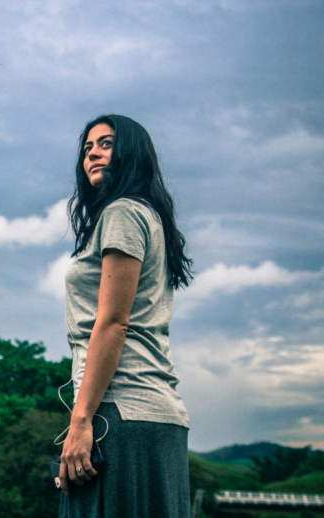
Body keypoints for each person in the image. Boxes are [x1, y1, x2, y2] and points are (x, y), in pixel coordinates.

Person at [57, 114, 194, 518]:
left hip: (120, 411)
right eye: (87, 148)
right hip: (155, 416)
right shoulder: (147, 216)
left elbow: (113, 323)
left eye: (106, 143)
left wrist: (80, 420)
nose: (92, 154)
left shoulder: (123, 213)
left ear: (132, 153)